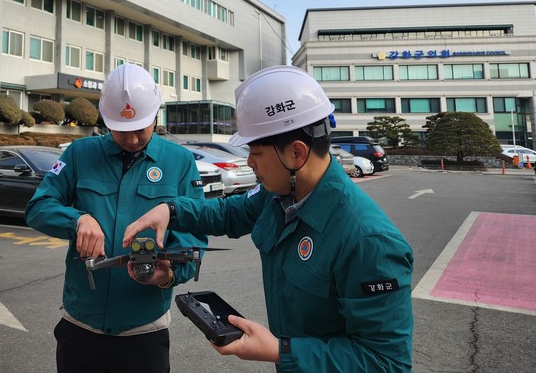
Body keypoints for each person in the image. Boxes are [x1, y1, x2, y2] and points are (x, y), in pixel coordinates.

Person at [123, 65, 413, 372]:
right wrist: (171, 210)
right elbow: (228, 213)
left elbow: (386, 362)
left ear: (296, 153)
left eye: (256, 152)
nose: (249, 162)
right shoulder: (279, 194)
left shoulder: (368, 241)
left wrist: (280, 350)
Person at [25, 63, 207, 373]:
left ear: (156, 115)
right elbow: (38, 207)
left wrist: (169, 275)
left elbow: (194, 234)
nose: (132, 139)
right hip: (81, 325)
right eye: (122, 130)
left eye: (141, 129)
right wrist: (77, 220)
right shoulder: (79, 154)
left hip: (144, 330)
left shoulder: (180, 161)